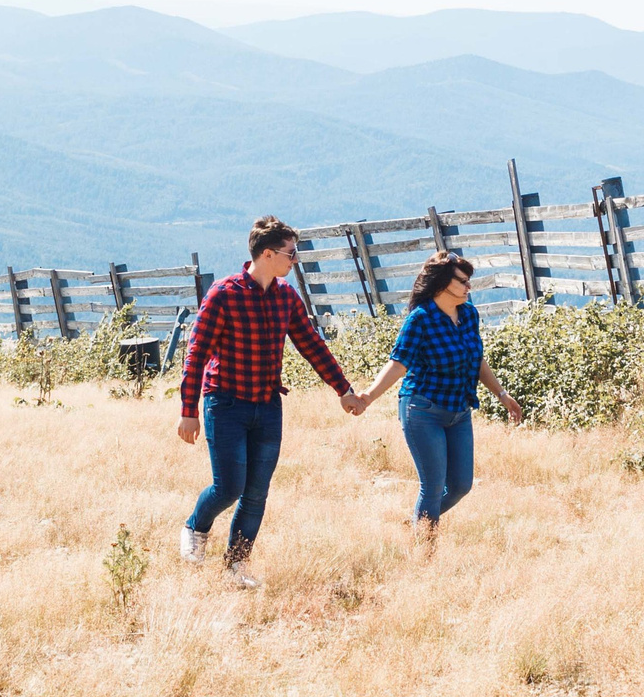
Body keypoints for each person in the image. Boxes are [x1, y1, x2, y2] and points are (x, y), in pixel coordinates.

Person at [176, 216, 364, 587]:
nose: (295, 260)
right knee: (229, 486)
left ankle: (235, 567)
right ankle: (196, 527)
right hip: (225, 403)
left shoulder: (286, 297)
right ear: (267, 254)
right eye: (290, 254)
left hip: (267, 406)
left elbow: (311, 344)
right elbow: (196, 354)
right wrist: (188, 412)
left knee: (256, 492)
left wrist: (343, 389)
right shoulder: (224, 293)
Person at [355, 252, 525, 552]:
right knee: (432, 485)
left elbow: (477, 359)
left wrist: (501, 394)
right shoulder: (420, 319)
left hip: (459, 411)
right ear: (441, 284)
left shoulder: (468, 314)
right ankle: (425, 554)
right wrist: (367, 396)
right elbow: (398, 364)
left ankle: (419, 521)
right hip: (422, 410)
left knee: (461, 485)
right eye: (462, 281)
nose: (468, 287)